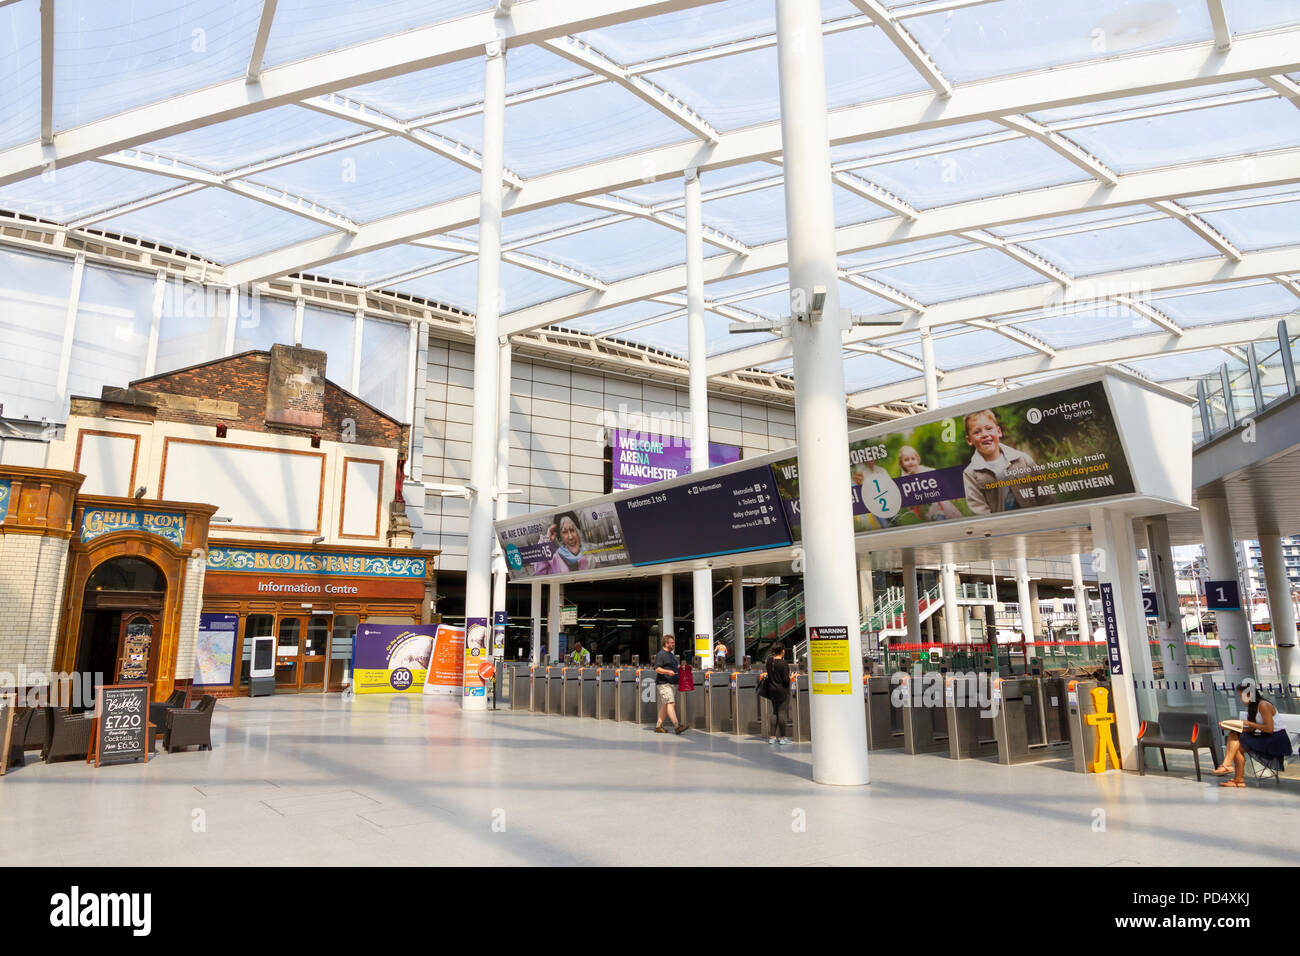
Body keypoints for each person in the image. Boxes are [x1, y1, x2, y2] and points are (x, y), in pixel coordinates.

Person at [961, 409, 1055, 515]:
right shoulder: (970, 473)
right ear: (969, 440)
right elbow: (979, 510)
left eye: (989, 428)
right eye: (977, 432)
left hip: (1034, 520)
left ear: (999, 431)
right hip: (1002, 527)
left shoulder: (1022, 459)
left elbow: (1045, 495)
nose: (984, 434)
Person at [1215, 682, 1293, 787]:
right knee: (1234, 736)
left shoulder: (1263, 705)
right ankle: (1234, 774)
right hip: (1266, 737)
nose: (1241, 699)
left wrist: (1248, 723)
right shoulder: (1253, 706)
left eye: (1241, 696)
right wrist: (1230, 726)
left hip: (1275, 740)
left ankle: (1234, 774)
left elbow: (1269, 729)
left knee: (1236, 745)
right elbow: (1252, 729)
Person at [897, 444, 961, 521]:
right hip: (926, 510)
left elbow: (938, 477)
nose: (910, 462)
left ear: (917, 459)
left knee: (951, 516)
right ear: (901, 463)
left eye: (913, 459)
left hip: (941, 504)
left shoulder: (924, 470)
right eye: (906, 460)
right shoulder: (905, 479)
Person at [653, 634, 687, 734]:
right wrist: (668, 672)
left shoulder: (671, 655)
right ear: (666, 643)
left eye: (673, 642)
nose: (673, 644)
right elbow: (657, 669)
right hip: (664, 683)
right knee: (671, 703)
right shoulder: (661, 654)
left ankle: (658, 726)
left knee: (666, 705)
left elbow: (674, 667)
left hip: (671, 683)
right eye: (671, 643)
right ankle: (677, 726)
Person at [765, 641, 792, 746]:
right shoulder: (784, 664)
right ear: (783, 651)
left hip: (771, 690)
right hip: (782, 690)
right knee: (782, 713)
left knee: (775, 712)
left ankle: (772, 737)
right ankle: (783, 738)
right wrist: (791, 678)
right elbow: (785, 680)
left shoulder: (769, 661)